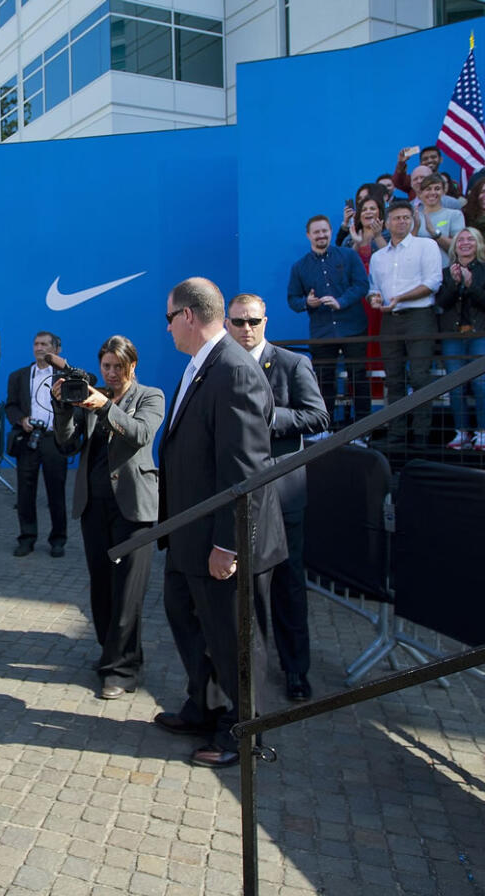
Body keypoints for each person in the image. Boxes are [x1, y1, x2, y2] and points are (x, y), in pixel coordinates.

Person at [154, 277, 287, 769]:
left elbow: (244, 469)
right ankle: (204, 707)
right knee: (189, 623)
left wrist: (229, 546)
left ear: (188, 315)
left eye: (169, 319)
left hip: (221, 542)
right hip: (188, 533)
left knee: (233, 639)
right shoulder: (201, 365)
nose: (166, 329)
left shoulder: (234, 371)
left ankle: (244, 732)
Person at [225, 294, 328, 701]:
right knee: (246, 589)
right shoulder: (223, 366)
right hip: (238, 496)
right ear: (228, 324)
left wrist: (269, 417)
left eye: (253, 321)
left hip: (283, 494)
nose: (245, 329)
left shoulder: (291, 363)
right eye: (238, 322)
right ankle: (250, 668)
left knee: (287, 585)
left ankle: (296, 670)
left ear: (265, 321)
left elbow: (318, 417)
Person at [51, 335, 163, 699]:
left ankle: (122, 670)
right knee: (101, 587)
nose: (112, 373)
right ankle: (112, 653)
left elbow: (141, 434)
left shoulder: (150, 396)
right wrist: (64, 408)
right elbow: (67, 445)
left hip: (134, 508)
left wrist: (103, 407)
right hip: (94, 506)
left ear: (133, 365)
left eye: (119, 366)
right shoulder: (88, 395)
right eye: (106, 367)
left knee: (128, 591)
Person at [368, 200, 444, 445]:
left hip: (419, 317)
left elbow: (433, 283)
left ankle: (421, 434)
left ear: (412, 220)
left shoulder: (426, 245)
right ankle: (397, 433)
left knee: (420, 376)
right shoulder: (378, 257)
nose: (401, 221)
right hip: (390, 319)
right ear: (387, 223)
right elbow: (373, 288)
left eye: (405, 217)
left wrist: (401, 297)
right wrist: (375, 298)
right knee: (394, 378)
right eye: (397, 218)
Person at [286, 215, 370, 427]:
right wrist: (307, 302)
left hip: (353, 327)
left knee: (358, 378)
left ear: (331, 231)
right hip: (322, 331)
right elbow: (293, 300)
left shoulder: (349, 256)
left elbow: (362, 285)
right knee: (324, 381)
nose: (321, 235)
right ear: (308, 235)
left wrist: (341, 302)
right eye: (316, 232)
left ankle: (364, 429)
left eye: (324, 230)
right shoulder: (299, 267)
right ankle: (325, 429)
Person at [436, 227, 485, 453]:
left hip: (481, 334)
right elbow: (441, 304)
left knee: (481, 383)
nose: (465, 243)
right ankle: (462, 432)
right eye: (460, 240)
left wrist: (471, 284)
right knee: (455, 386)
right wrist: (455, 284)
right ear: (454, 246)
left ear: (478, 244)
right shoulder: (446, 272)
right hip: (453, 335)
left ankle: (483, 434)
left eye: (470, 239)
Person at [6, 331, 68, 557]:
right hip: (28, 440)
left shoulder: (64, 376)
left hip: (54, 440)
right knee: (25, 493)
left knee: (56, 493)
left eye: (44, 344)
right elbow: (10, 406)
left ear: (55, 349)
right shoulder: (19, 376)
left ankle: (58, 540)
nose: (39, 347)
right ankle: (27, 538)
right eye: (36, 344)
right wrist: (21, 419)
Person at [413, 174, 465, 266]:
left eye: (437, 189)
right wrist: (416, 228)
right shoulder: (414, 217)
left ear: (443, 191)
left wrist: (434, 233)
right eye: (428, 189)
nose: (432, 193)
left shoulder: (454, 215)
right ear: (420, 193)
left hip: (446, 270)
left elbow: (459, 247)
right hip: (418, 271)